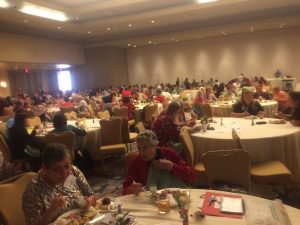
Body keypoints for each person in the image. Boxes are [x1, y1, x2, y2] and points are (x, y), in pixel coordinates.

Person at [22, 143, 97, 225]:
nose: (64, 174)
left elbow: (91, 194)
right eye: (57, 169)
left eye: (67, 166)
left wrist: (89, 201)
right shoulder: (33, 189)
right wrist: (51, 211)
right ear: (44, 168)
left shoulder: (74, 172)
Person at [122, 130, 197, 195]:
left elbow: (192, 175)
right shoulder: (136, 161)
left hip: (174, 197)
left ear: (155, 146)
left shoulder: (168, 153)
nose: (141, 152)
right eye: (139, 147)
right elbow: (125, 189)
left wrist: (172, 167)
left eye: (145, 147)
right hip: (149, 201)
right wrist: (132, 190)